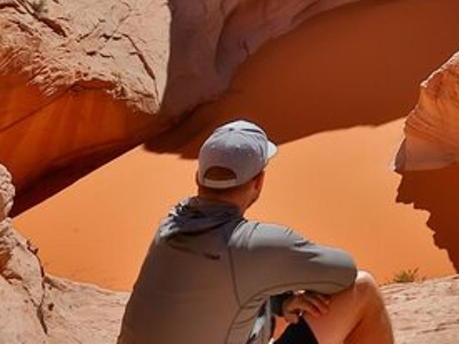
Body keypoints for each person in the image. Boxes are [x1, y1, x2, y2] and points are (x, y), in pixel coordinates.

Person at [117, 120, 394, 344]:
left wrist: (283, 302)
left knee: (276, 304)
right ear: (259, 181)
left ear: (198, 177)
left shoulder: (169, 225)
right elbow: (344, 272)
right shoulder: (257, 246)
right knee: (363, 288)